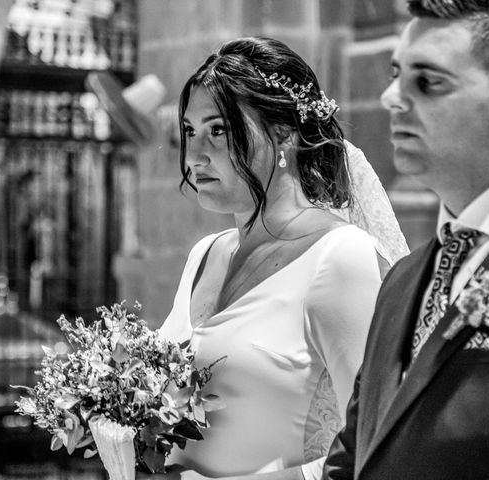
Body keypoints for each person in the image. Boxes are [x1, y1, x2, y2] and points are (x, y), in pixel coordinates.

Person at [108, 36, 407, 480]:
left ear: (284, 134)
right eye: (190, 131)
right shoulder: (204, 255)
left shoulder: (339, 258)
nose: (195, 156)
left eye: (219, 130)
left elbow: (383, 443)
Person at [322, 0, 489, 479]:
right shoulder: (402, 278)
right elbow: (352, 456)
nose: (390, 97)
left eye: (428, 81)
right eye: (395, 73)